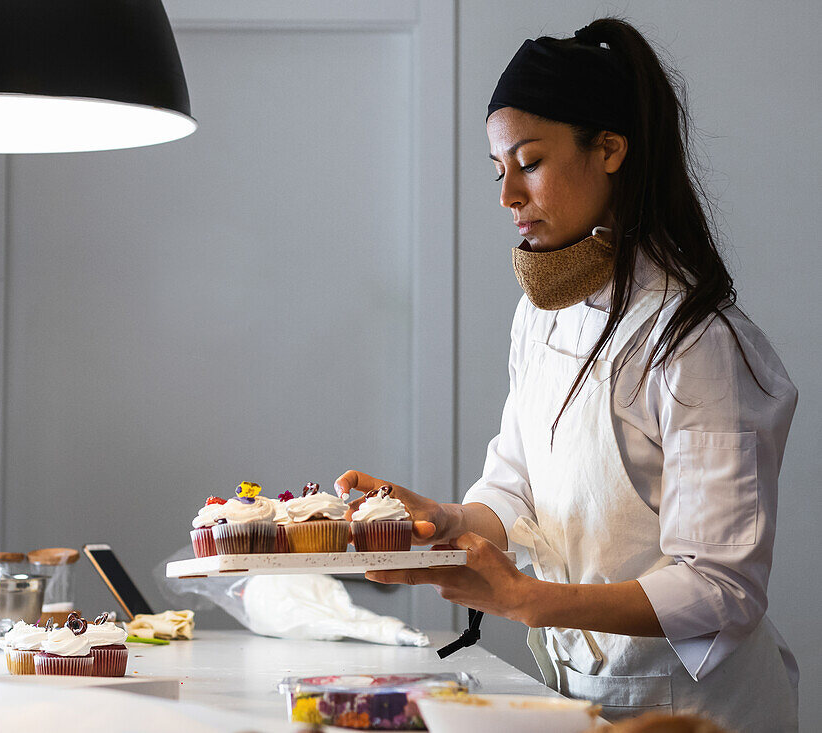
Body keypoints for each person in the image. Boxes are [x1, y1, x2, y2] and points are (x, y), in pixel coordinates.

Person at [337, 17, 798, 730]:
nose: (507, 195)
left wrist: (525, 597)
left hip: (697, 708)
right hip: (584, 696)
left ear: (610, 148)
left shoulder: (696, 340)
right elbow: (516, 480)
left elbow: (721, 587)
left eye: (529, 162)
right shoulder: (542, 316)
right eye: (498, 170)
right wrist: (441, 523)